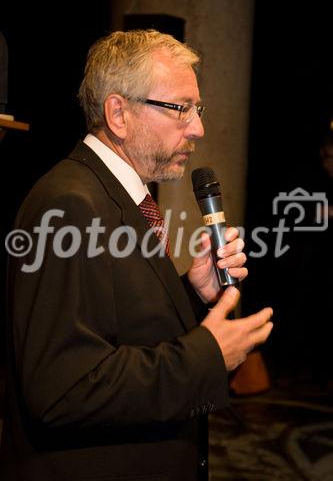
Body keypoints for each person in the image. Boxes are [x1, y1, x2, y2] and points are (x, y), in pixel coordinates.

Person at [1, 29, 273, 480]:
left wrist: (191, 293)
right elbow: (62, 388)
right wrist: (207, 356)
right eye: (180, 108)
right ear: (118, 114)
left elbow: (120, 329)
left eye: (197, 108)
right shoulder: (69, 204)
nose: (199, 128)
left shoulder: (121, 198)